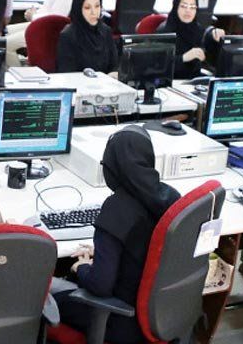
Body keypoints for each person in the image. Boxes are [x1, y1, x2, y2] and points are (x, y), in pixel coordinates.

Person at [52, 125, 180, 344]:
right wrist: (105, 252)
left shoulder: (116, 209)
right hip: (161, 315)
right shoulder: (170, 197)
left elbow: (100, 286)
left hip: (120, 320)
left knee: (45, 298)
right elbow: (147, 248)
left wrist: (81, 267)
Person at [157, 0, 225, 79]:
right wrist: (184, 58)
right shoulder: (164, 31)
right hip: (172, 81)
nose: (188, 11)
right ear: (176, 7)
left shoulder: (197, 28)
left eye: (192, 7)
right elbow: (159, 65)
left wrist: (215, 40)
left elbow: (209, 60)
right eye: (183, 6)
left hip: (194, 80)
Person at [56, 0, 118, 74]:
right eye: (87, 8)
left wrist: (114, 74)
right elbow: (67, 73)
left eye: (97, 6)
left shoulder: (106, 31)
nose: (94, 12)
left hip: (107, 82)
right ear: (78, 9)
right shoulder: (68, 35)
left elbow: (115, 65)